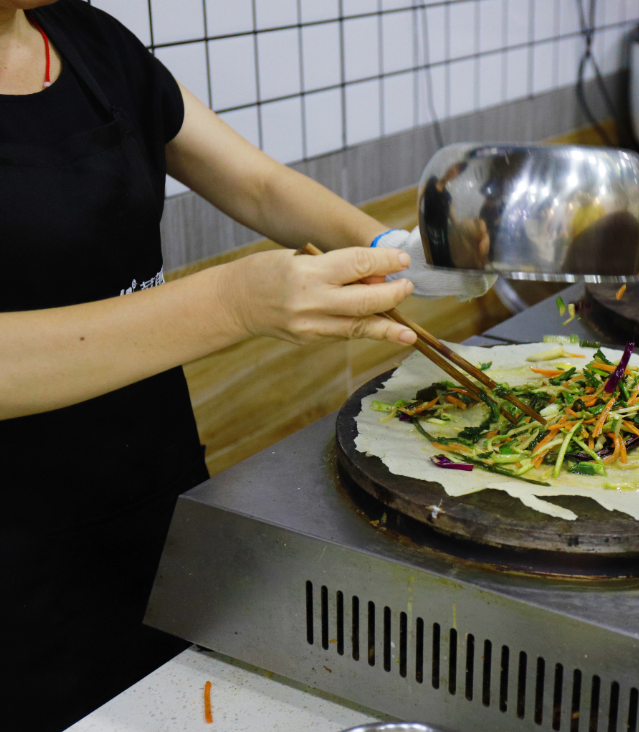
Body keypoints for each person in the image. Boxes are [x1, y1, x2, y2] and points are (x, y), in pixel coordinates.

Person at [0, 1, 493, 729]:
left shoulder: (86, 39)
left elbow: (255, 184)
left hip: (148, 481)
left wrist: (392, 250)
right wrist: (230, 304)